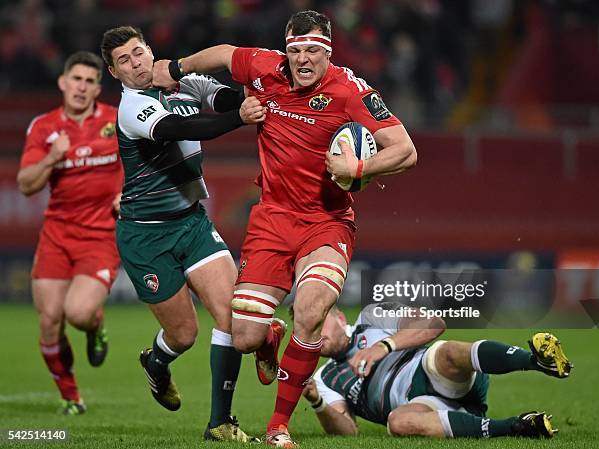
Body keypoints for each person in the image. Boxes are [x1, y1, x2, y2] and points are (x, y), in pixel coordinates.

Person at [152, 9, 418, 447]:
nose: (304, 59)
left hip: (326, 222)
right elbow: (223, 54)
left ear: (328, 52)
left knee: (312, 311)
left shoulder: (350, 90)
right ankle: (270, 334)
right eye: (297, 50)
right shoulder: (264, 67)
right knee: (244, 338)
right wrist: (178, 68)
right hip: (272, 220)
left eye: (315, 50)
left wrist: (360, 166)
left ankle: (278, 427)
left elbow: (406, 150)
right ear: (286, 49)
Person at [100, 26, 266, 442]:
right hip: (146, 238)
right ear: (114, 72)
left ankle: (220, 422)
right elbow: (178, 129)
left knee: (231, 315)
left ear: (151, 51)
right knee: (184, 335)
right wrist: (238, 118)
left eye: (139, 53)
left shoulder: (182, 81)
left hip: (191, 223)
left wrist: (248, 99)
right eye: (124, 60)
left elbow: (227, 98)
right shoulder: (130, 108)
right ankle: (156, 363)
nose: (135, 63)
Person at [17, 51, 122, 415]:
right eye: (76, 79)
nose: (81, 87)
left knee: (77, 314)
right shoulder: (44, 128)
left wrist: (128, 192)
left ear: (97, 88)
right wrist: (51, 158)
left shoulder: (115, 120)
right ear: (63, 83)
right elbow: (25, 184)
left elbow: (142, 164)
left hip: (102, 234)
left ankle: (94, 326)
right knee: (49, 321)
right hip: (57, 234)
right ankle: (71, 397)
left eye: (89, 81)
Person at [300, 304, 573, 439]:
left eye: (318, 324)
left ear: (339, 317)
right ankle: (517, 427)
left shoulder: (370, 318)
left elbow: (433, 322)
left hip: (434, 372)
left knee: (446, 352)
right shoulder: (326, 378)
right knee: (398, 423)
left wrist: (384, 346)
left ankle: (536, 361)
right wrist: (317, 401)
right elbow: (349, 432)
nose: (314, 334)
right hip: (421, 406)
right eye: (307, 329)